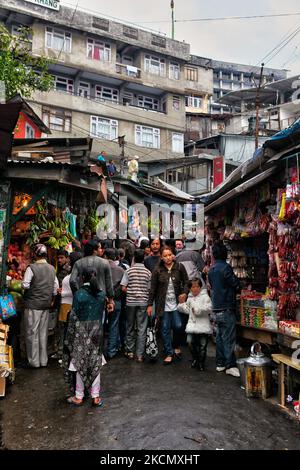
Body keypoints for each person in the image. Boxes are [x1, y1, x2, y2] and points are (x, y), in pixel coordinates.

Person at [63, 267, 112, 406]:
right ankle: (95, 396)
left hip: (81, 330)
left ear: (82, 278)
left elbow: (74, 314)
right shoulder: (101, 294)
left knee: (79, 363)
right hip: (97, 331)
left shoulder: (79, 294)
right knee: (95, 363)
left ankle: (79, 396)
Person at [147, 246, 189, 364]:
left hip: (176, 303)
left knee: (178, 325)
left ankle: (175, 346)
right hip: (162, 304)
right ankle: (169, 352)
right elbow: (153, 289)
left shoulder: (179, 267)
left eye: (169, 255)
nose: (168, 258)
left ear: (173, 255)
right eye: (165, 256)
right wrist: (150, 304)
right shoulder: (157, 270)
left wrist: (185, 293)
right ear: (161, 257)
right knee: (165, 328)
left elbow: (187, 282)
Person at [22, 244, 59, 368]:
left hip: (33, 304)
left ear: (35, 254)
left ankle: (34, 362)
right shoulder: (52, 269)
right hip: (45, 305)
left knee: (32, 333)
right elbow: (55, 289)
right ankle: (43, 361)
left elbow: (25, 285)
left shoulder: (31, 268)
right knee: (43, 333)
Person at [208, 242, 241, 377]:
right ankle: (230, 365)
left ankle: (220, 363)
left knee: (220, 337)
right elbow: (235, 284)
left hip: (216, 307)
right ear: (225, 254)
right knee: (228, 337)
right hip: (226, 306)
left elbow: (212, 285)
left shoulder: (212, 269)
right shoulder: (226, 268)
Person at [121, 249, 151, 362]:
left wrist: (132, 291)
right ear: (143, 258)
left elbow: (123, 288)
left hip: (130, 302)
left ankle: (129, 352)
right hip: (143, 302)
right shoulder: (148, 272)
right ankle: (139, 355)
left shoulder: (128, 271)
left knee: (129, 326)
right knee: (142, 328)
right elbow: (149, 289)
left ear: (134, 257)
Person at [69, 240, 114, 316]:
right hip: (100, 299)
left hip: (83, 299)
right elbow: (109, 284)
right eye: (99, 248)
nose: (101, 250)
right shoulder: (105, 263)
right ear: (94, 250)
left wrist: (77, 293)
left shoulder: (78, 263)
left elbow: (72, 281)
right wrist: (110, 300)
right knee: (98, 322)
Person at [177, 278, 212, 371]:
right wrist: (181, 305)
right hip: (192, 325)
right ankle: (196, 358)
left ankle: (201, 363)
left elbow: (209, 308)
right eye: (193, 287)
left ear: (200, 287)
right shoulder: (190, 298)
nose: (195, 289)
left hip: (203, 325)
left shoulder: (205, 297)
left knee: (203, 346)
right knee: (189, 342)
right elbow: (188, 310)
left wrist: (199, 310)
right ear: (190, 288)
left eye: (197, 286)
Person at [56, 252, 83, 361]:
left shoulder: (69, 277)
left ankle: (65, 353)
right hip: (74, 305)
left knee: (66, 330)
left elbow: (72, 292)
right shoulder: (80, 276)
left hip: (67, 304)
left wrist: (62, 293)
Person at [103, 248, 124, 360]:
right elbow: (123, 287)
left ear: (105, 256)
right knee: (114, 325)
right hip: (116, 300)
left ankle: (100, 351)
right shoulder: (120, 270)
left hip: (102, 300)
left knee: (100, 325)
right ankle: (111, 350)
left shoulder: (100, 269)